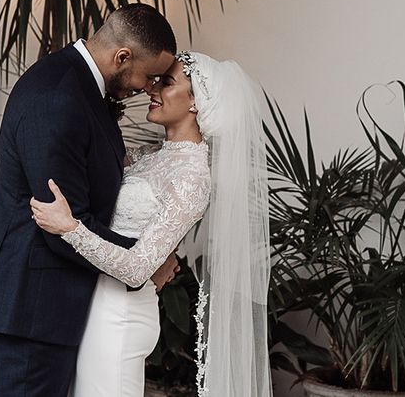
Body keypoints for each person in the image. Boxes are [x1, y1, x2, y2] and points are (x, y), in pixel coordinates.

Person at [0, 4, 178, 397]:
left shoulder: (77, 83)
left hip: (48, 301)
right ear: (122, 57)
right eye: (149, 76)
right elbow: (61, 224)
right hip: (30, 304)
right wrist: (147, 260)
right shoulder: (59, 97)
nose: (148, 87)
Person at [31, 51, 273, 397]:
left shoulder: (191, 177)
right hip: (94, 305)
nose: (153, 88)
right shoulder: (149, 155)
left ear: (196, 103)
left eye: (168, 82)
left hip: (121, 315)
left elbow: (137, 269)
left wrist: (71, 228)